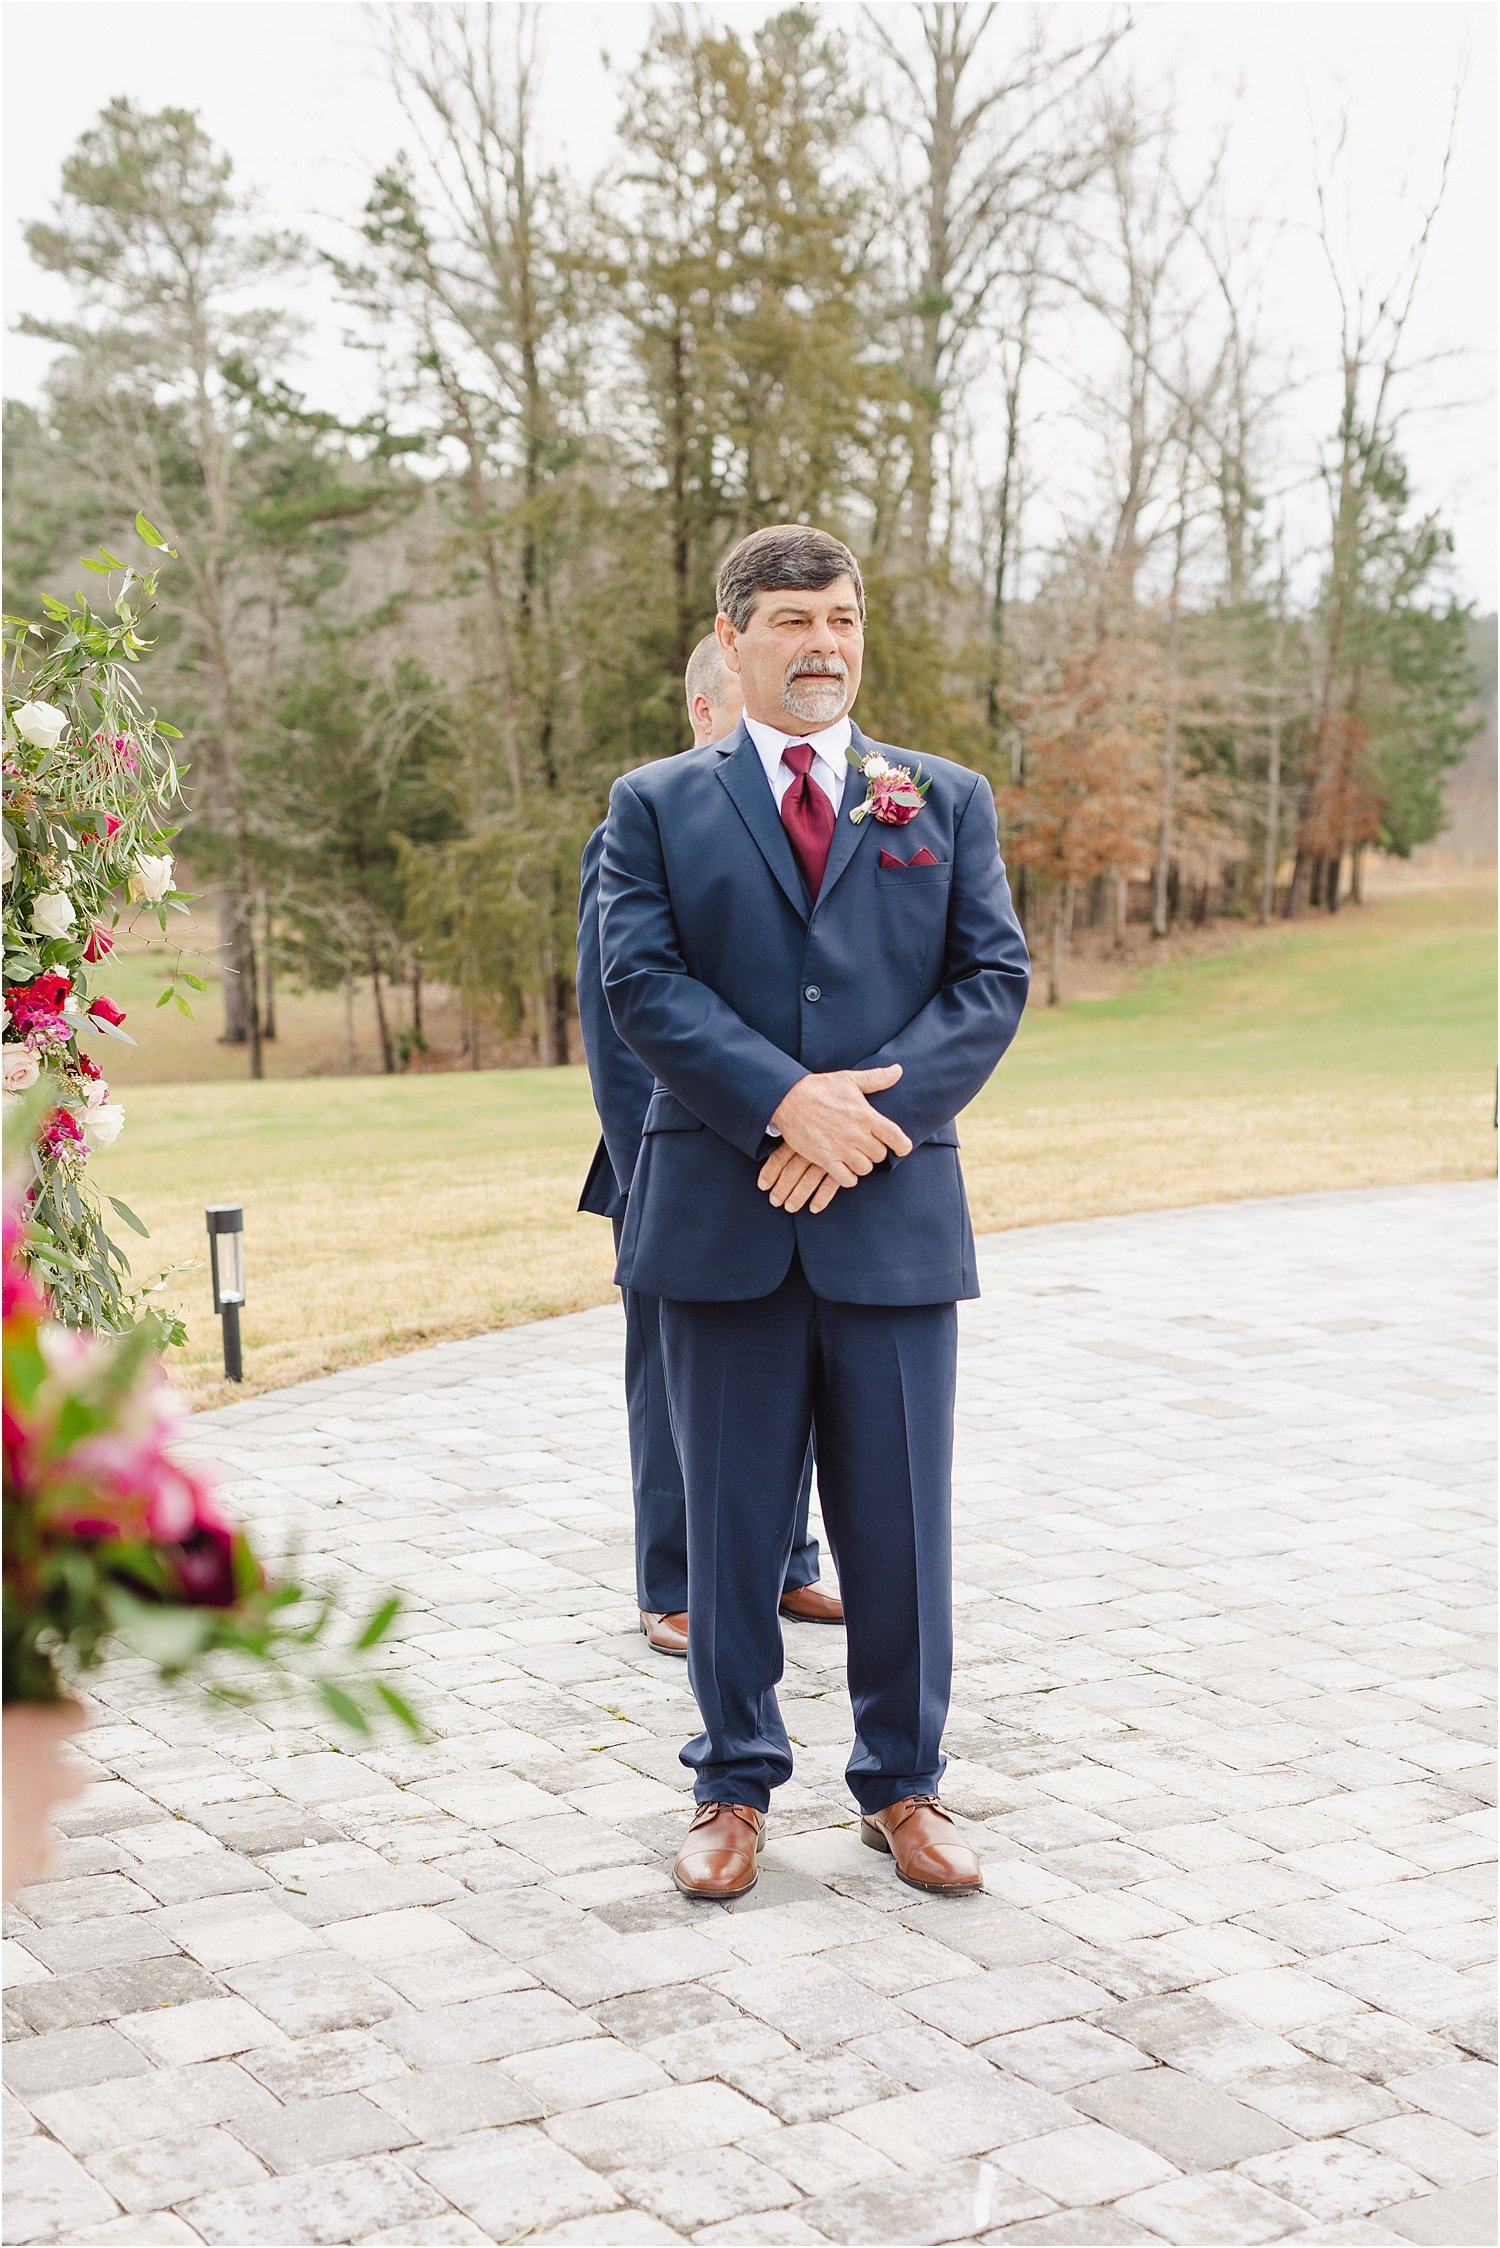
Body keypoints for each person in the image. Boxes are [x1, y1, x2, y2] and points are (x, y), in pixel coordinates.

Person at [599, 524, 1030, 1900]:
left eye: (842, 618)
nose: (824, 644)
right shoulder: (655, 803)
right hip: (724, 1218)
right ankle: (732, 1786)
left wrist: (857, 1124)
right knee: (728, 1525)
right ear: (732, 642)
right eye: (791, 621)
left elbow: (990, 983)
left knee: (902, 1522)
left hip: (891, 1214)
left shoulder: (941, 801)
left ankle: (905, 1785)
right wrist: (788, 1104)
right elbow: (643, 987)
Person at [576, 635, 843, 1659]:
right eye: (747, 702)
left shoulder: (808, 821)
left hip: (791, 1152)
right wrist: (652, 1177)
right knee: (672, 1387)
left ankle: (786, 1564)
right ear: (701, 710)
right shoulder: (647, 824)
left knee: (799, 1365)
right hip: (673, 1163)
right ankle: (674, 1582)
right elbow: (619, 1022)